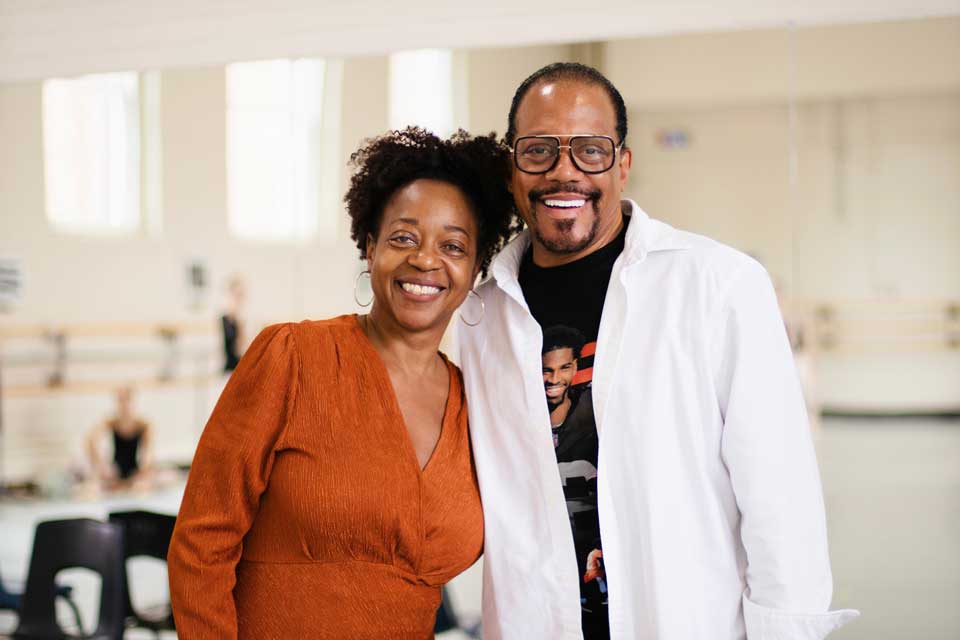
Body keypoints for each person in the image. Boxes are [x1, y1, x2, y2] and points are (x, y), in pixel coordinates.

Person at [457, 63, 859, 639]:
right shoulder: (481, 312)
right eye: (539, 149)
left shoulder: (718, 286)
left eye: (590, 150)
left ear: (622, 163)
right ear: (512, 167)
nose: (563, 171)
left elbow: (780, 500)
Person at [167, 127, 514, 639]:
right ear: (369, 247)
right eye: (403, 237)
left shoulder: (476, 407)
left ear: (476, 266)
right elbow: (201, 544)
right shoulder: (292, 358)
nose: (425, 259)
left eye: (453, 245)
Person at [85, 385, 153, 488]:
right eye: (121, 401)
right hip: (114, 472)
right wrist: (101, 466)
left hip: (136, 472)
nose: (124, 405)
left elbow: (148, 453)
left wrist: (143, 470)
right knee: (91, 486)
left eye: (127, 400)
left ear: (133, 402)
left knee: (150, 482)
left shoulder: (143, 425)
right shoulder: (111, 422)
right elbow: (91, 440)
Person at [220, 274, 246, 373]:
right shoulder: (224, 318)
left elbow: (242, 348)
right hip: (229, 369)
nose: (239, 299)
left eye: (241, 295)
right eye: (236, 295)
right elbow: (236, 348)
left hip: (240, 367)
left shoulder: (242, 319)